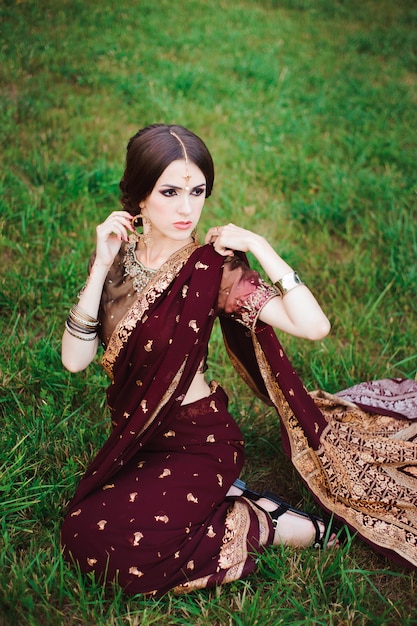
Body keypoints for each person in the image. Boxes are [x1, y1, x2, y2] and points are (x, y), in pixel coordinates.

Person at [61, 123, 417, 597]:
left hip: (197, 440)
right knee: (81, 529)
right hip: (138, 435)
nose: (187, 208)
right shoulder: (118, 257)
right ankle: (234, 499)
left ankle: (267, 522)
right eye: (170, 191)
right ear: (139, 196)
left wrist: (260, 248)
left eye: (198, 191)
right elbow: (74, 360)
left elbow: (314, 327)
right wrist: (101, 265)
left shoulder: (213, 269)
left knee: (124, 555)